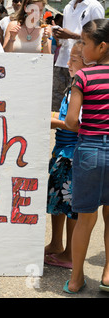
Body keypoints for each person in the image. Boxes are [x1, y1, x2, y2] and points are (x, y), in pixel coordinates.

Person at [63, 19, 109, 294]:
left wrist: (90, 129)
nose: (80, 47)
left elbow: (70, 121)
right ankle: (107, 274)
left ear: (102, 46)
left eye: (84, 42)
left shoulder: (83, 77)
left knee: (85, 219)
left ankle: (77, 278)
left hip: (89, 150)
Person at [44, 41, 86, 269]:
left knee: (70, 208)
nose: (68, 63)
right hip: (61, 153)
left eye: (74, 59)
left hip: (71, 155)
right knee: (57, 201)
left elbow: (76, 124)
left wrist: (51, 122)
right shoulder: (72, 87)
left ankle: (69, 253)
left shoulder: (80, 89)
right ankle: (56, 244)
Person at [51, 0, 104, 112]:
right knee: (57, 105)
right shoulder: (68, 7)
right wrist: (58, 35)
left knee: (77, 106)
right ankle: (60, 129)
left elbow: (99, 38)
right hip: (63, 60)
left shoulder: (94, 6)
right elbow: (65, 37)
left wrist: (71, 35)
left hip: (83, 64)